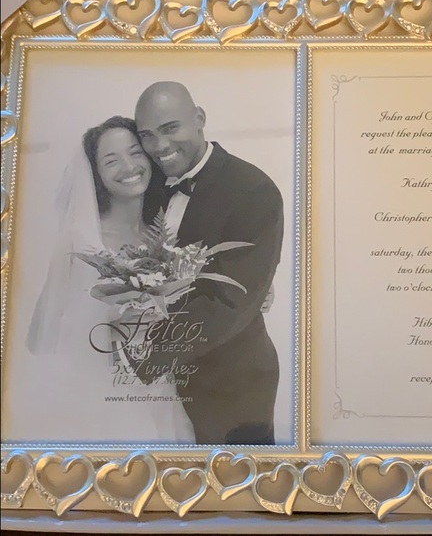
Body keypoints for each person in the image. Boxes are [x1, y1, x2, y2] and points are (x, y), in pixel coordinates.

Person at [125, 81, 284, 445]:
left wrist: (142, 357)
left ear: (199, 118)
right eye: (147, 135)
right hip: (158, 392)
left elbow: (230, 301)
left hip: (231, 386)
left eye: (170, 128)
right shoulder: (145, 182)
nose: (159, 146)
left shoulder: (252, 190)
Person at [23, 116, 196, 442]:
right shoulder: (79, 241)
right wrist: (106, 326)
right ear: (96, 175)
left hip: (158, 392)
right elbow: (38, 339)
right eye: (111, 161)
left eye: (135, 152)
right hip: (98, 399)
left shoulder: (165, 235)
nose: (128, 167)